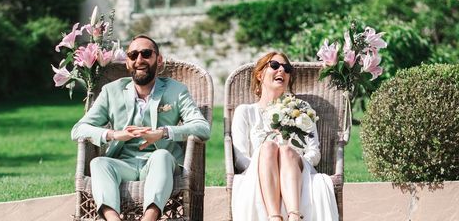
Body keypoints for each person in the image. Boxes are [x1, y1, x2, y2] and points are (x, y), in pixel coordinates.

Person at [71, 34, 211, 221]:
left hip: (160, 164)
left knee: (161, 156)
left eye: (146, 53)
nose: (139, 60)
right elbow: (78, 129)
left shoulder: (176, 90)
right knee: (98, 163)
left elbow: (202, 127)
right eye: (133, 55)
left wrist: (164, 132)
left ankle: (149, 219)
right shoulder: (111, 91)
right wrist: (113, 134)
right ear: (128, 62)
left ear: (158, 60)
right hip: (123, 165)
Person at [231, 52, 339, 221]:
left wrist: (293, 163)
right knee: (268, 148)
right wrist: (268, 166)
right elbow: (240, 159)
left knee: (287, 151)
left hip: (298, 171)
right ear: (260, 75)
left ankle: (294, 216)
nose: (282, 70)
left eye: (287, 69)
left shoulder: (301, 109)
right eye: (274, 65)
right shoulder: (245, 112)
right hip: (258, 172)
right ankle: (275, 217)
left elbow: (314, 152)